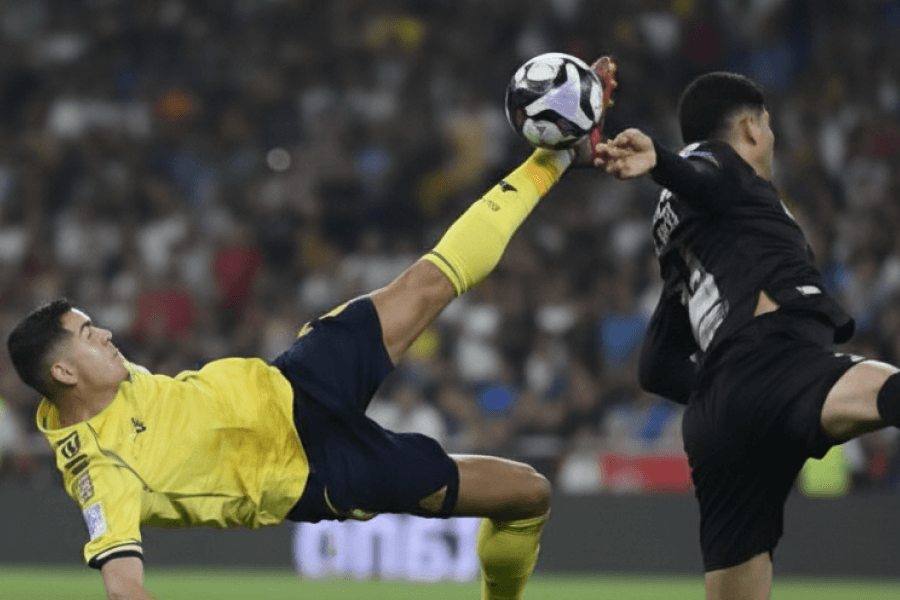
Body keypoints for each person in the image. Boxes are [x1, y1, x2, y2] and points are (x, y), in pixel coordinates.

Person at [6, 58, 618, 600]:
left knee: (426, 281)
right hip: (318, 469)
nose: (106, 334)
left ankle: (559, 154)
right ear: (63, 371)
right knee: (528, 494)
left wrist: (568, 124)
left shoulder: (110, 381)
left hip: (296, 379)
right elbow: (123, 586)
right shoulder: (101, 469)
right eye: (88, 335)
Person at [595, 71, 899, 599]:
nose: (773, 139)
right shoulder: (720, 166)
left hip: (717, 417)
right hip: (777, 364)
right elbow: (707, 175)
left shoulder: (677, 233)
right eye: (769, 126)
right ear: (751, 129)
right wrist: (662, 161)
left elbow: (655, 368)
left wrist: (733, 394)